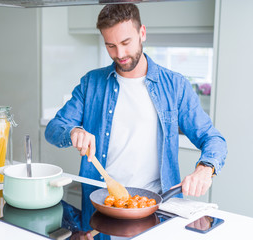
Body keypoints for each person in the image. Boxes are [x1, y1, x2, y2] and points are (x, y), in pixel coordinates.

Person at [45, 3, 227, 211]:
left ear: (142, 33)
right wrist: (73, 131)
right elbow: (54, 128)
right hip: (101, 204)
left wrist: (205, 169)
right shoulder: (91, 83)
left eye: (125, 42)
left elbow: (212, 138)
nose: (119, 53)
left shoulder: (175, 85)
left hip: (158, 206)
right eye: (110, 45)